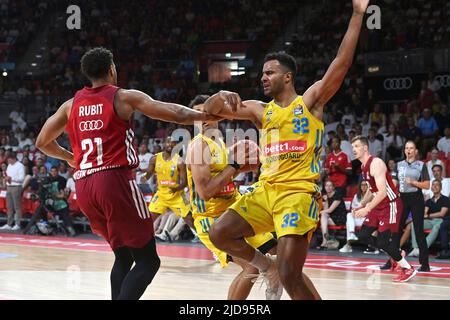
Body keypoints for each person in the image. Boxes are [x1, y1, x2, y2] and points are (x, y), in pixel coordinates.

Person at [204, 0, 370, 300]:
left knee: (291, 275)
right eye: (262, 74)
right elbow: (210, 110)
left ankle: (275, 270)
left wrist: (358, 14)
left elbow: (341, 63)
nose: (263, 77)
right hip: (265, 191)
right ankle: (263, 267)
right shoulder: (259, 110)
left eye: (269, 73)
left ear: (287, 76)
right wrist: (219, 95)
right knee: (219, 233)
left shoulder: (309, 103)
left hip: (297, 192)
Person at [35, 47, 218, 300]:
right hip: (114, 181)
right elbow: (174, 112)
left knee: (123, 256)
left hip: (85, 186)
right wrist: (207, 116)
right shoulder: (122, 97)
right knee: (148, 261)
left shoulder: (70, 105)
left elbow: (42, 142)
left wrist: (72, 159)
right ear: (112, 69)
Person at [186, 95, 278, 300]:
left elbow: (235, 171)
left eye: (207, 112)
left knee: (276, 250)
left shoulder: (219, 142)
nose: (204, 118)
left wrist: (256, 158)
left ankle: (274, 285)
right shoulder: (198, 146)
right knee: (251, 268)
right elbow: (206, 193)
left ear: (218, 114)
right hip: (211, 218)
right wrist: (234, 165)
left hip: (233, 209)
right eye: (198, 114)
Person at [352, 136, 417, 282]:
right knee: (363, 235)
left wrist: (367, 209)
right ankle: (397, 254)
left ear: (365, 148)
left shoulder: (376, 163)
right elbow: (371, 188)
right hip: (378, 204)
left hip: (390, 204)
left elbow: (383, 192)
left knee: (382, 242)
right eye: (353, 147)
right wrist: (361, 204)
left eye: (356, 146)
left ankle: (408, 268)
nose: (354, 150)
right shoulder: (363, 166)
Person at [142, 136, 197, 242]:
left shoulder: (180, 161)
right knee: (148, 220)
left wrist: (176, 188)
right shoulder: (154, 159)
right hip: (161, 195)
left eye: (173, 143)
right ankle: (141, 240)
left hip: (177, 196)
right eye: (168, 142)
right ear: (164, 144)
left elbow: (184, 182)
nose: (170, 145)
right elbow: (149, 173)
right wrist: (144, 177)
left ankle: (206, 238)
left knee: (190, 220)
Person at [389, 140, 431, 272]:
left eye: (411, 148)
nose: (408, 150)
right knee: (396, 230)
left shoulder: (421, 165)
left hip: (416, 198)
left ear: (416, 151)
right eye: (406, 148)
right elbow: (394, 183)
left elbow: (427, 185)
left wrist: (413, 182)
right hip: (402, 198)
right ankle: (391, 261)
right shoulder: (398, 165)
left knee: (418, 231)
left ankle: (425, 264)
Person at [22, 166, 76, 237]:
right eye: (52, 171)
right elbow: (41, 192)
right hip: (49, 202)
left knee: (64, 209)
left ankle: (69, 228)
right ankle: (44, 227)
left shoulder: (62, 180)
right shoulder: (47, 179)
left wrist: (53, 195)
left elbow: (63, 195)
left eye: (55, 171)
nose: (53, 173)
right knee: (41, 209)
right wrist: (36, 196)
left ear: (57, 171)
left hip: (60, 202)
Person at [409, 180, 447, 257]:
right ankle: (415, 248)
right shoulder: (429, 201)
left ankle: (422, 248)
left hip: (440, 220)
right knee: (414, 224)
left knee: (436, 227)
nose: (435, 187)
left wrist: (428, 215)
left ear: (441, 187)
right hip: (430, 221)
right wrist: (425, 215)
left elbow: (442, 213)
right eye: (433, 185)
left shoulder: (445, 199)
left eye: (437, 185)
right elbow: (424, 213)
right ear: (431, 188)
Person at [340, 181, 370, 253]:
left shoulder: (371, 196)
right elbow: (353, 208)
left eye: (365, 185)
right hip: (359, 217)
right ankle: (352, 234)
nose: (363, 187)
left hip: (367, 219)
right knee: (349, 215)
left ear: (368, 186)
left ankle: (348, 245)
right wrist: (356, 212)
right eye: (362, 185)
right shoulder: (356, 196)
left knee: (348, 222)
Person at [318, 180, 347, 250]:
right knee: (323, 217)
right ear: (324, 187)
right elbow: (326, 210)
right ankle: (326, 240)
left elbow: (330, 210)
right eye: (326, 186)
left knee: (322, 220)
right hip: (330, 217)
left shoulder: (337, 195)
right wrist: (327, 200)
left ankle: (324, 242)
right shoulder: (326, 196)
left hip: (339, 218)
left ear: (333, 187)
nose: (328, 187)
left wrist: (318, 213)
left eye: (330, 185)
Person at [0, 152, 25, 231]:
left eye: (9, 160)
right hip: (9, 187)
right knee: (9, 206)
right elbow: (7, 176)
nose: (8, 162)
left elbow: (21, 178)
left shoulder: (20, 166)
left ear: (13, 158)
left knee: (17, 207)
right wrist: (6, 178)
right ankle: (9, 223)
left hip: (16, 187)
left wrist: (11, 178)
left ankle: (17, 224)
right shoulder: (9, 166)